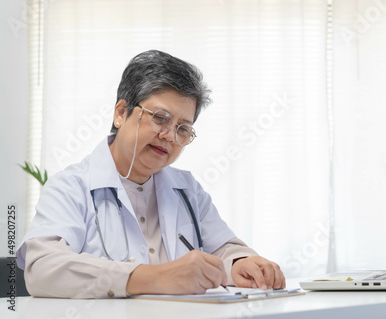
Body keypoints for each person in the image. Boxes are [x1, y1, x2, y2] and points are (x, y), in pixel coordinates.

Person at [16, 50, 285, 298]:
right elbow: (42, 269)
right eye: (159, 118)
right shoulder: (71, 187)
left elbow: (222, 249)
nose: (169, 136)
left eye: (182, 129)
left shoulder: (187, 189)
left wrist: (240, 263)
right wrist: (151, 277)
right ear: (121, 113)